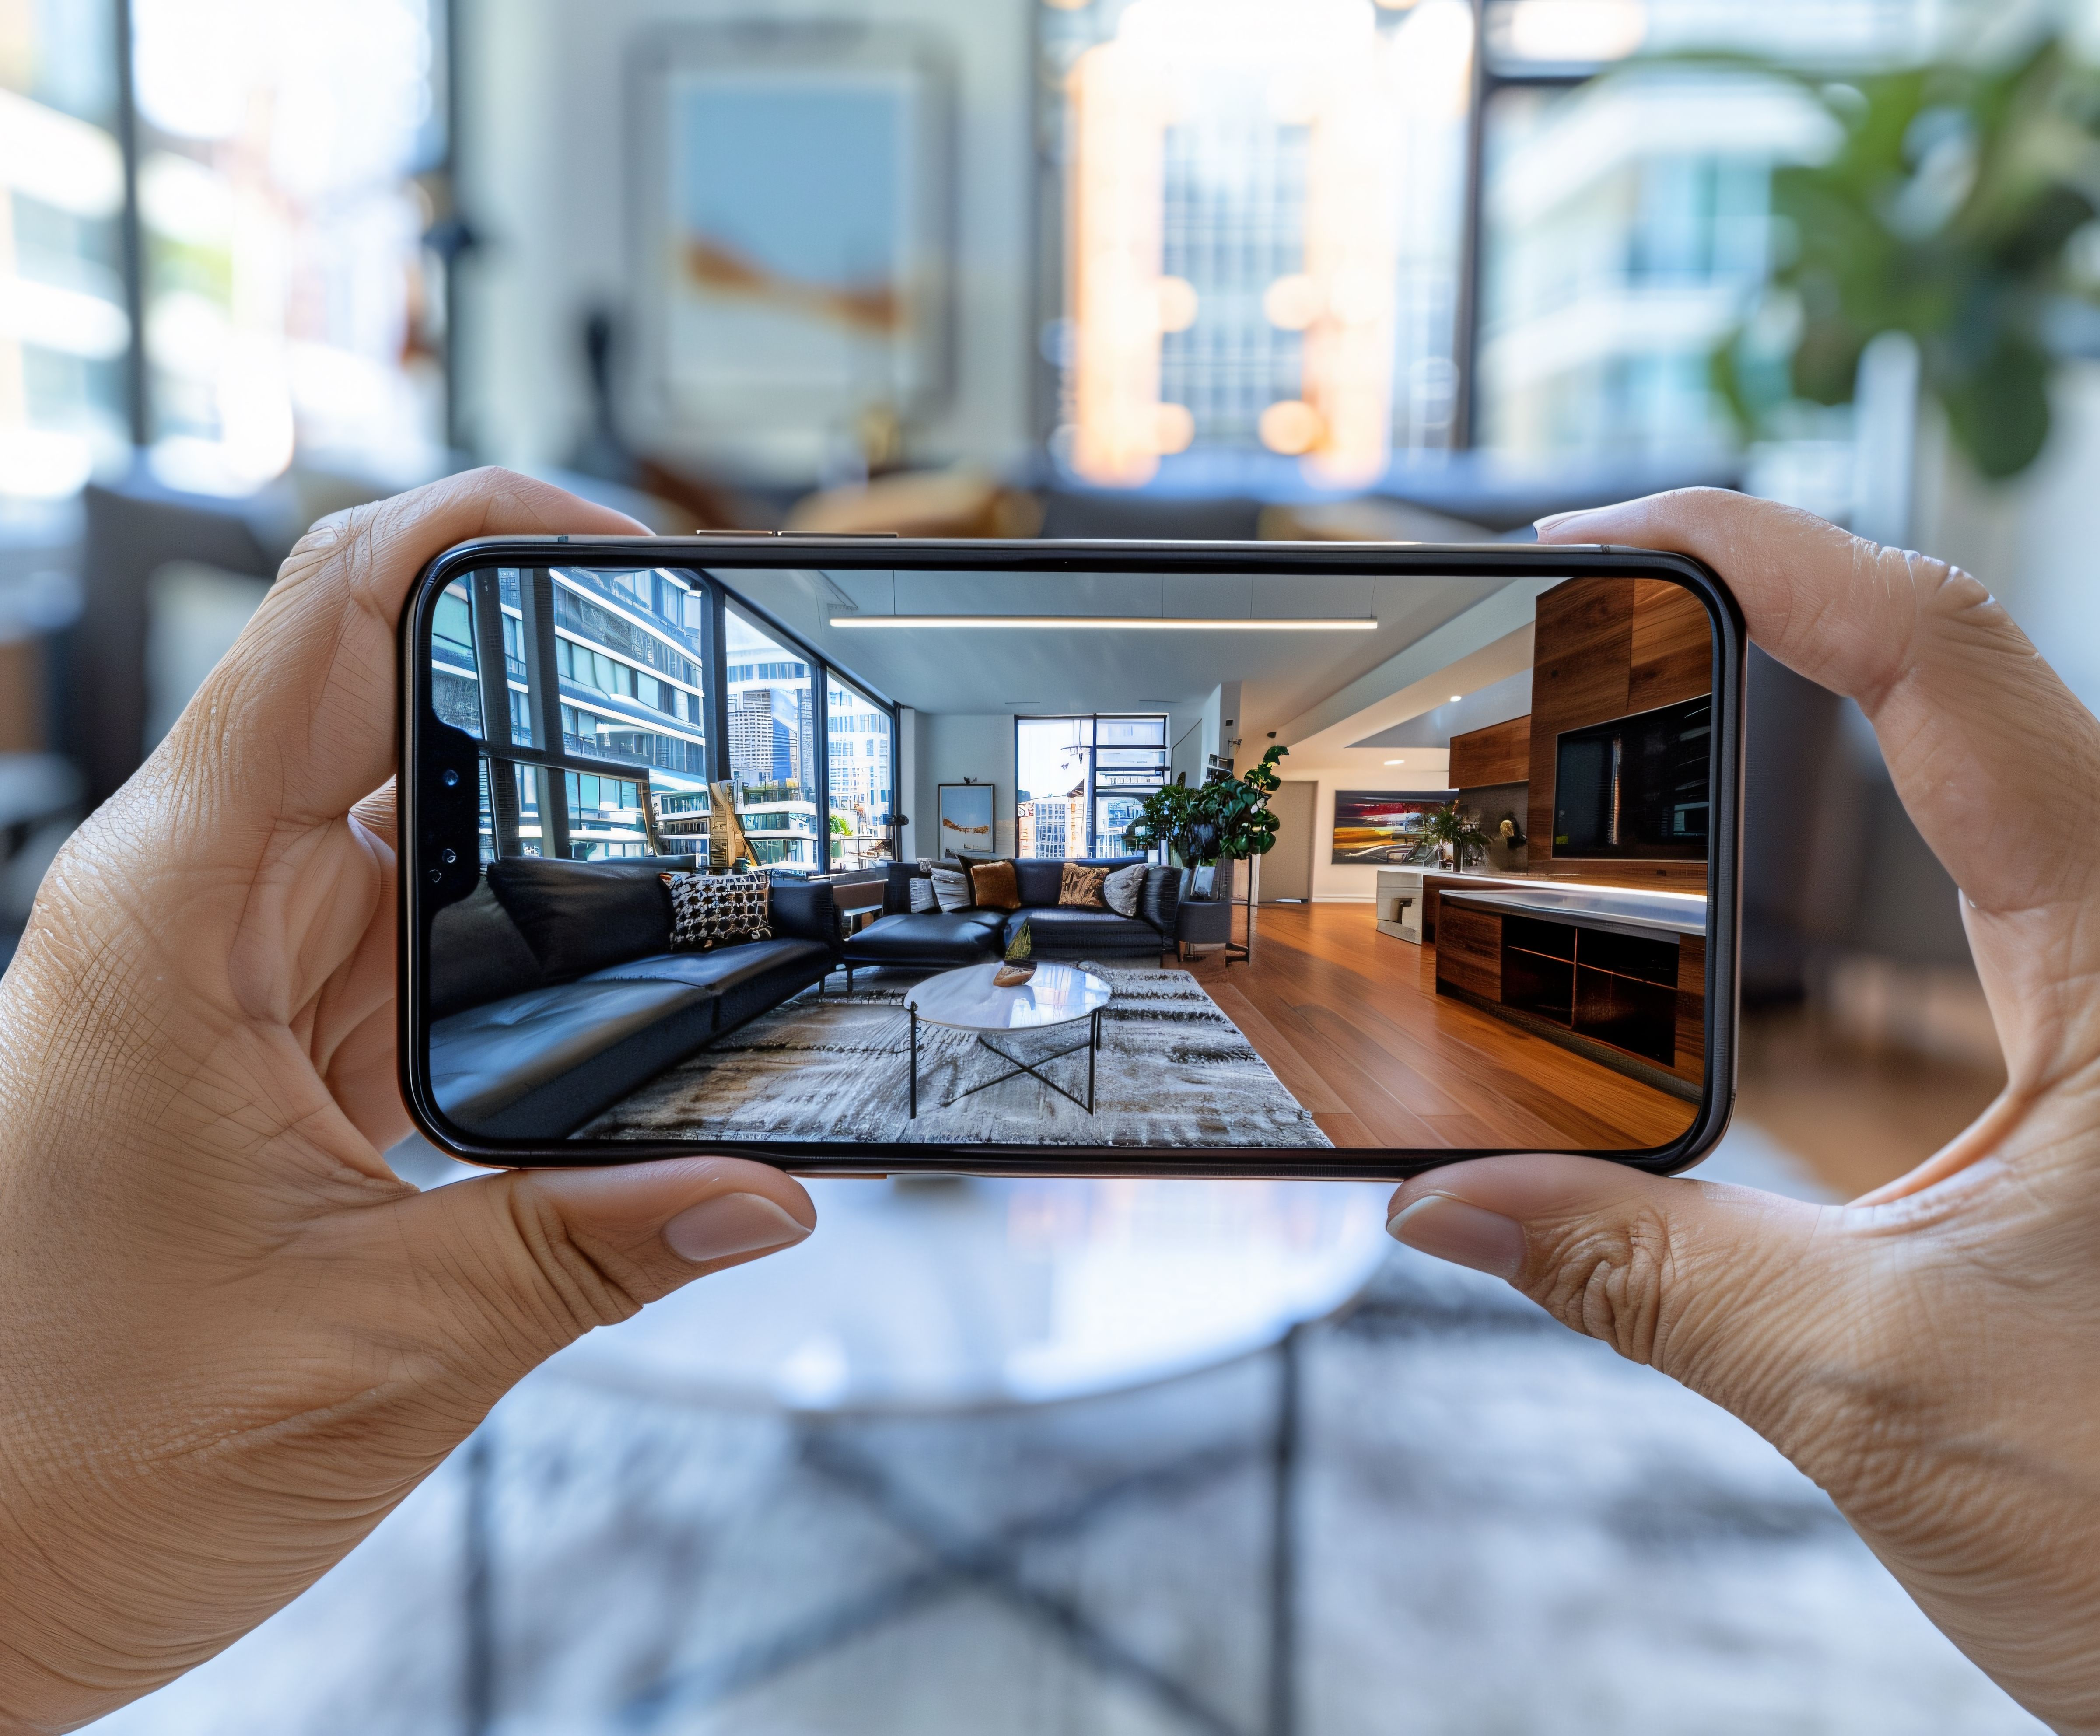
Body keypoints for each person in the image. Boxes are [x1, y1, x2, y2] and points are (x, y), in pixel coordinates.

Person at [0, 469, 2086, 1733]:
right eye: (986, 839)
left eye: (1005, 839)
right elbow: (907, 875)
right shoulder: (913, 825)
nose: (1006, 849)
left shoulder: (1152, 819)